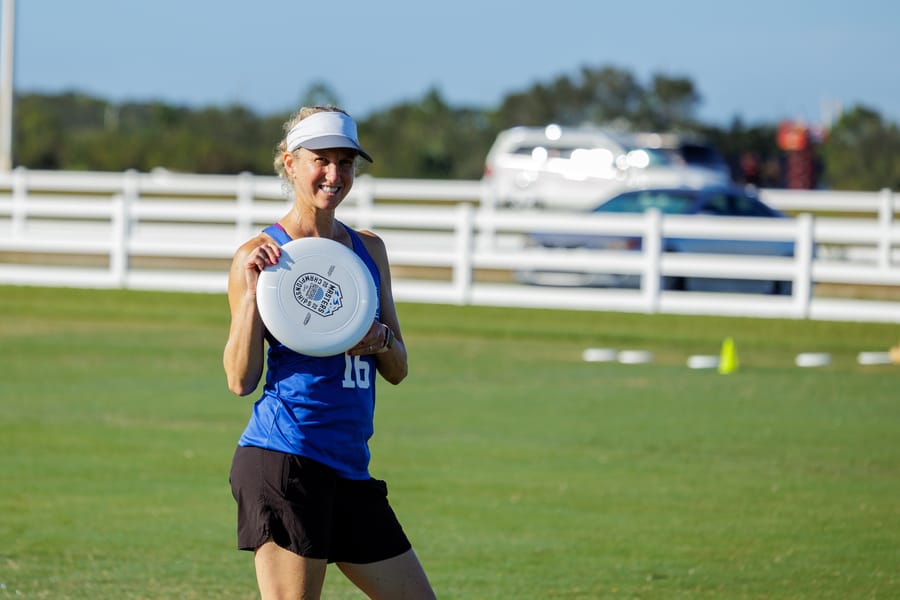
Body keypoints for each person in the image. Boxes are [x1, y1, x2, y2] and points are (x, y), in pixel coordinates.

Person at [224, 106, 436, 600]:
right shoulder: (260, 254)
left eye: (345, 162)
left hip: (349, 467)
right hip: (286, 460)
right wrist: (255, 295)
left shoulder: (368, 251)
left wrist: (380, 339)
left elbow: (399, 369)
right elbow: (240, 379)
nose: (334, 175)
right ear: (290, 163)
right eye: (321, 160)